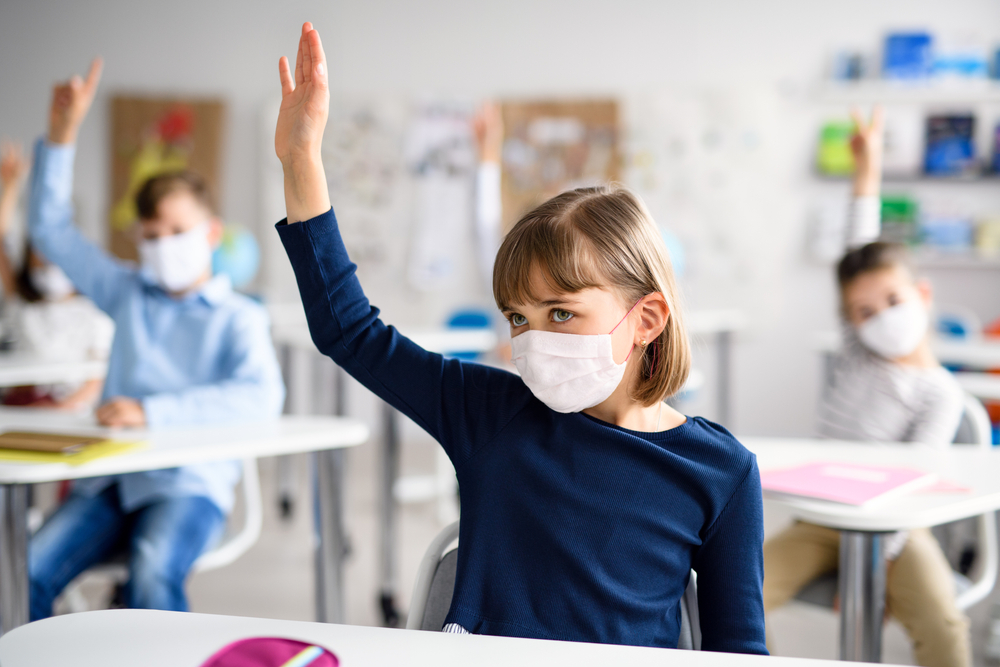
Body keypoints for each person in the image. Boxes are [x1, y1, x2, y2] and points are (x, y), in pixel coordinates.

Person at [273, 23, 766, 652]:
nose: (532, 341)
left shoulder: (721, 472)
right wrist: (302, 159)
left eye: (560, 313)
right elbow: (349, 331)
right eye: (517, 318)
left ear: (646, 320)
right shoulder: (489, 413)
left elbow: (738, 651)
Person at [26, 58, 286, 619]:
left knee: (152, 567)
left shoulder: (238, 317)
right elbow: (49, 230)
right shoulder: (126, 292)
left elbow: (261, 397)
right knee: (26, 570)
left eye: (177, 231)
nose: (163, 245)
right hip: (109, 481)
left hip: (189, 485)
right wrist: (62, 136)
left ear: (211, 233)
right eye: (151, 235)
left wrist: (150, 412)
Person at [763, 108, 968, 667]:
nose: (881, 317)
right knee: (733, 593)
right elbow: (858, 248)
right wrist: (866, 169)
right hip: (820, 521)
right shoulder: (858, 352)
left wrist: (877, 568)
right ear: (851, 322)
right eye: (864, 311)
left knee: (944, 624)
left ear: (923, 294)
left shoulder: (940, 393)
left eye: (894, 301)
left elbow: (915, 484)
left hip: (895, 531)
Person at [0, 141, 112, 410]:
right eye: (41, 251)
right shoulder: (22, 302)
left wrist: (57, 410)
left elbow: (97, 378)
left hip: (69, 411)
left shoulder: (95, 311)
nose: (50, 261)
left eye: (57, 253)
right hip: (18, 406)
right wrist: (11, 187)